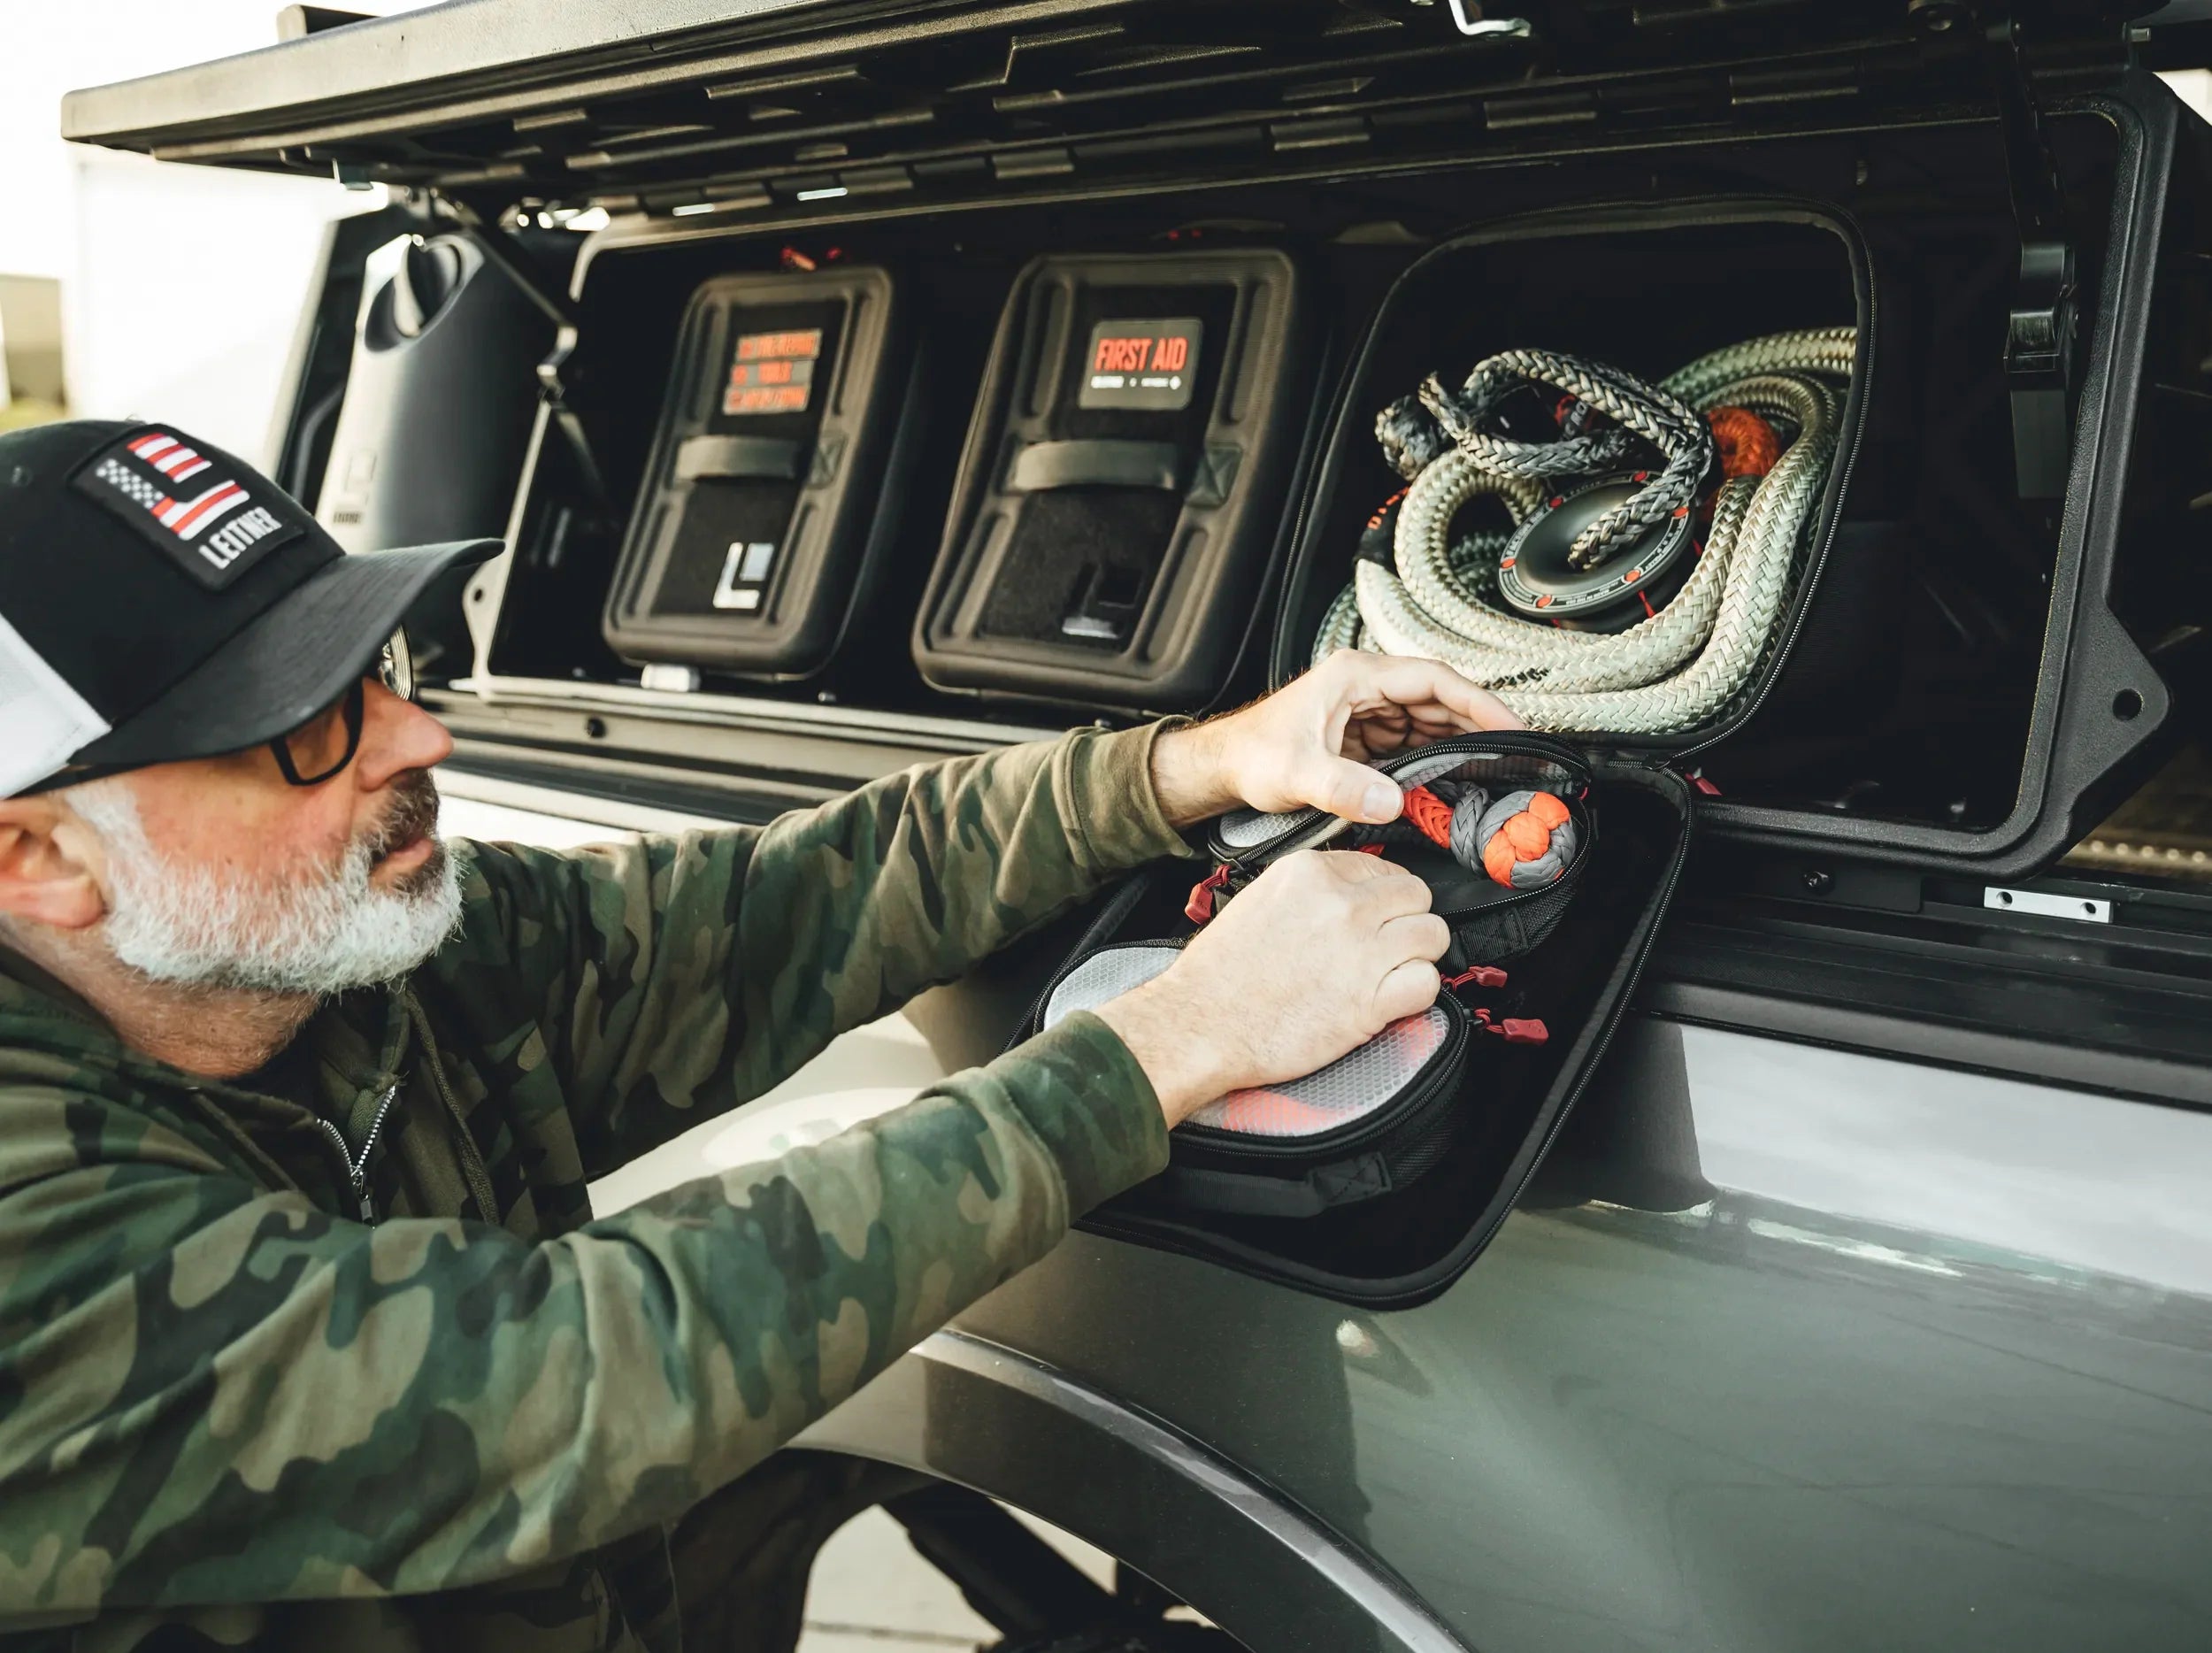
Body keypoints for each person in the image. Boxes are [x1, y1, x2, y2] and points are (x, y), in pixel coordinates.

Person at [0, 419, 1520, 1650]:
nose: (420, 737)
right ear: (40, 859)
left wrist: (1187, 766)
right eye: (306, 725)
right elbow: (562, 1382)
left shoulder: (327, 955)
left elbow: (768, 912)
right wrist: (1171, 1042)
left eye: (383, 665)